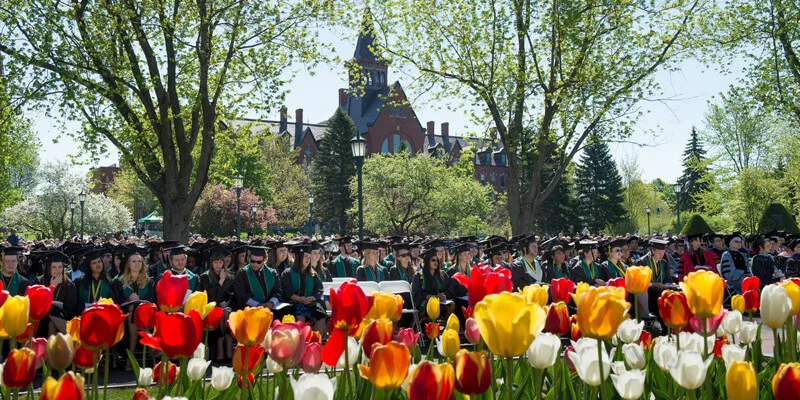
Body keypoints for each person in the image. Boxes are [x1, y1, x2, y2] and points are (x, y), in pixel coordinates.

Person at [112, 248, 156, 370]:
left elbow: (151, 300)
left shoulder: (149, 281)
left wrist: (138, 304)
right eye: (133, 261)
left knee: (136, 310)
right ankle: (152, 347)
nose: (137, 264)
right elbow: (116, 301)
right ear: (128, 264)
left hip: (146, 317)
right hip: (125, 317)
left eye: (139, 261)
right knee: (132, 311)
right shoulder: (119, 282)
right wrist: (128, 301)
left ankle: (130, 360)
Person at [280, 244, 327, 336]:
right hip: (292, 303)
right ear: (298, 258)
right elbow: (286, 290)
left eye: (309, 257)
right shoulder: (288, 273)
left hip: (310, 303)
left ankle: (317, 340)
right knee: (296, 312)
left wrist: (312, 297)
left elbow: (319, 289)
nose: (308, 259)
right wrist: (300, 299)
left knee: (320, 315)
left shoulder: (313, 274)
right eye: (305, 256)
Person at [200, 246, 235, 362]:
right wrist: (220, 282)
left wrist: (228, 301)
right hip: (211, 307)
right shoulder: (205, 277)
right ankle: (223, 351)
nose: (218, 265)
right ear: (211, 263)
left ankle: (226, 351)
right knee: (221, 314)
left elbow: (232, 293)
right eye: (215, 262)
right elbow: (210, 296)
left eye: (220, 262)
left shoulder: (230, 276)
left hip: (226, 307)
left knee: (226, 313)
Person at [634, 238, 676, 326]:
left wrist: (672, 285)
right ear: (652, 250)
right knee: (658, 292)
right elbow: (638, 283)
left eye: (663, 253)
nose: (661, 256)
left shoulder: (664, 263)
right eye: (659, 253)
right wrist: (654, 284)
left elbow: (667, 280)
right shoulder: (641, 262)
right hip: (647, 291)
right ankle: (663, 323)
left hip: (661, 289)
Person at [411, 248, 462, 322]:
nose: (436, 262)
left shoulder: (442, 274)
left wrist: (443, 295)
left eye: (437, 260)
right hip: (426, 304)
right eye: (433, 260)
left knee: (451, 304)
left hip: (441, 303)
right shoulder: (419, 275)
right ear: (427, 261)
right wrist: (431, 297)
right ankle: (429, 327)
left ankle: (449, 329)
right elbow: (416, 294)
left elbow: (450, 289)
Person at [233, 246, 285, 316]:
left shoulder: (272, 273)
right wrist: (258, 304)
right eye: (252, 261)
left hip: (269, 309)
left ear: (264, 260)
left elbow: (278, 291)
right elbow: (240, 295)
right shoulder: (242, 273)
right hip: (249, 310)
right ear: (249, 258)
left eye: (258, 262)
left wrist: (271, 302)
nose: (255, 264)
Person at [39, 251, 79, 336]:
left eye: (60, 267)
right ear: (48, 268)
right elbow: (38, 305)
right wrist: (52, 286)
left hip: (62, 319)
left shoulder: (69, 285)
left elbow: (70, 309)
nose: (57, 270)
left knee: (52, 317)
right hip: (42, 321)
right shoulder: (39, 281)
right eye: (54, 267)